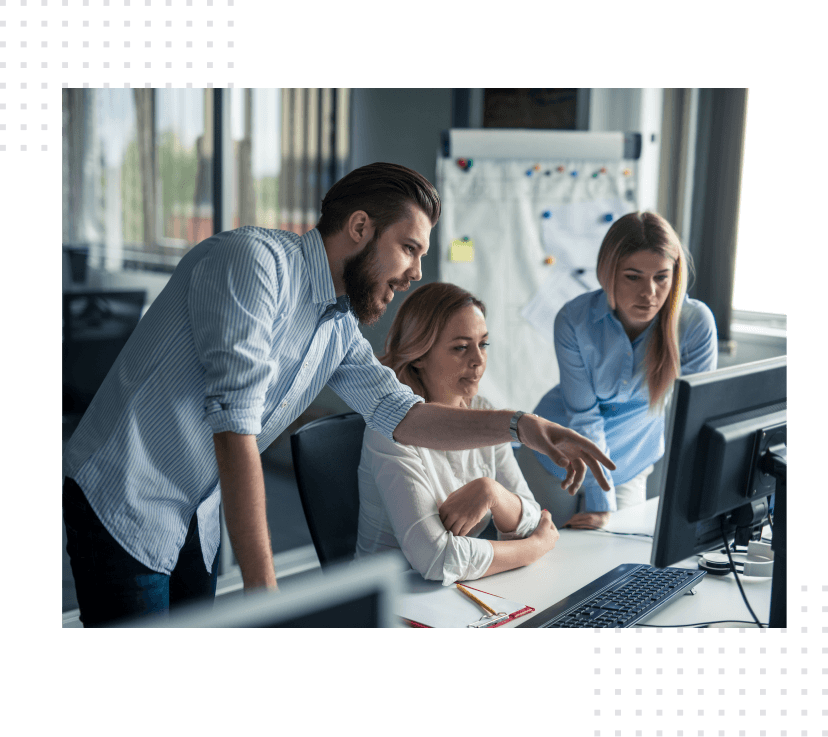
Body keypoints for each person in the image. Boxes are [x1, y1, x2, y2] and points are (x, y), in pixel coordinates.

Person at [62, 162, 616, 627]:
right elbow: (236, 430)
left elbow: (406, 416)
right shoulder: (253, 265)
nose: (415, 273)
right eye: (408, 248)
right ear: (358, 227)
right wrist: (266, 596)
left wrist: (522, 425)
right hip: (127, 494)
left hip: (197, 507)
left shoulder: (336, 326)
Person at [517, 211, 717, 531]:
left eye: (661, 277)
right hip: (556, 456)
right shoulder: (574, 319)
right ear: (608, 273)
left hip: (629, 464)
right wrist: (599, 503)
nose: (649, 293)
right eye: (633, 276)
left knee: (619, 560)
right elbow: (585, 416)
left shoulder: (694, 324)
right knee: (541, 553)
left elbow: (694, 420)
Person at [355, 283, 561, 585]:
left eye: (484, 344)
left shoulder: (483, 411)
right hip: (390, 601)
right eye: (461, 347)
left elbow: (530, 518)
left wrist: (491, 492)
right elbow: (437, 558)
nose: (478, 360)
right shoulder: (389, 429)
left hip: (454, 593)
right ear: (418, 355)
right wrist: (534, 549)